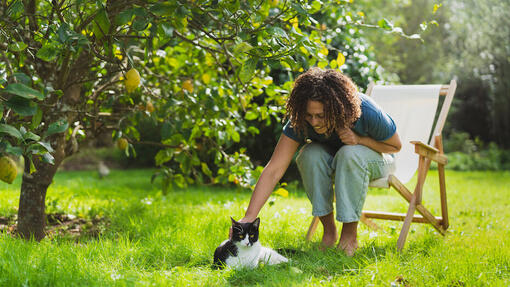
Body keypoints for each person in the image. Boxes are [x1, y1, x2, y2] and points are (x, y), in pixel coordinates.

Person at [238, 67, 401, 256]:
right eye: (309, 115)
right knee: (309, 154)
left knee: (349, 153)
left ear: (338, 109)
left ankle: (349, 235)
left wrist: (360, 140)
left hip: (380, 160)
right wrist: (249, 218)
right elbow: (274, 168)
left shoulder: (365, 110)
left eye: (321, 116)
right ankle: (329, 232)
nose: (314, 122)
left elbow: (395, 146)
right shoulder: (301, 120)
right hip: (340, 161)